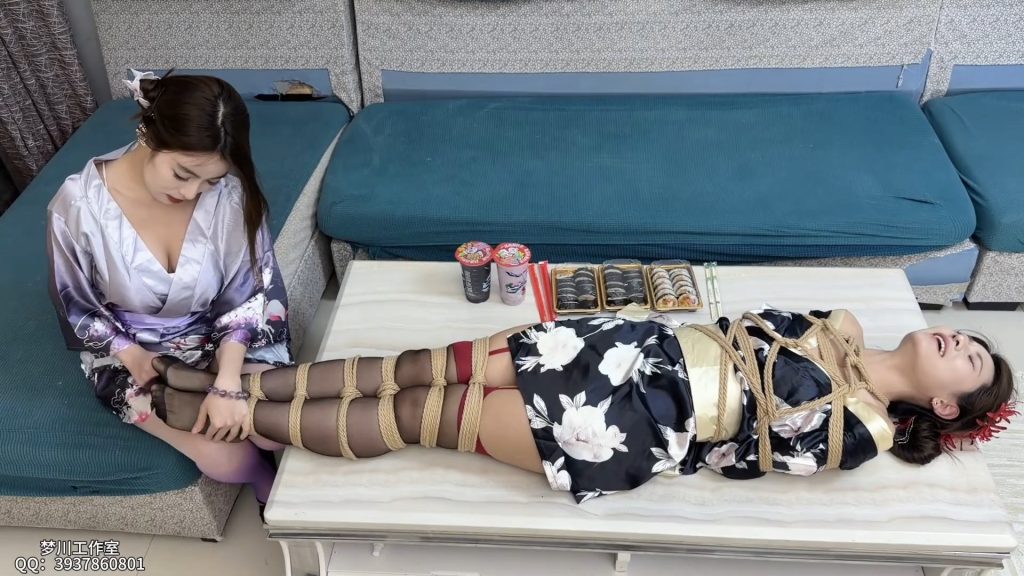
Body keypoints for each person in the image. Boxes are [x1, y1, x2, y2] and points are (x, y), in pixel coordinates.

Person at [148, 307, 1015, 503]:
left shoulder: (863, 431)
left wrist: (681, 420)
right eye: (966, 336)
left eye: (970, 358)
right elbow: (733, 329)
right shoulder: (844, 323)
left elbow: (741, 456)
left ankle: (219, 412)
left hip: (637, 423)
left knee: (422, 413)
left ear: (946, 404)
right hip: (627, 345)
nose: (957, 340)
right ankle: (219, 386)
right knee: (414, 367)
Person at [46, 70, 290, 505]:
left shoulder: (229, 196)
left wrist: (228, 381)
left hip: (228, 331)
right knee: (225, 458)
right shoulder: (77, 208)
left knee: (276, 427)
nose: (193, 192)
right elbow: (77, 304)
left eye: (210, 180)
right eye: (182, 173)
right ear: (149, 135)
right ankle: (263, 485)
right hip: (135, 349)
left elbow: (246, 294)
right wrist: (136, 358)